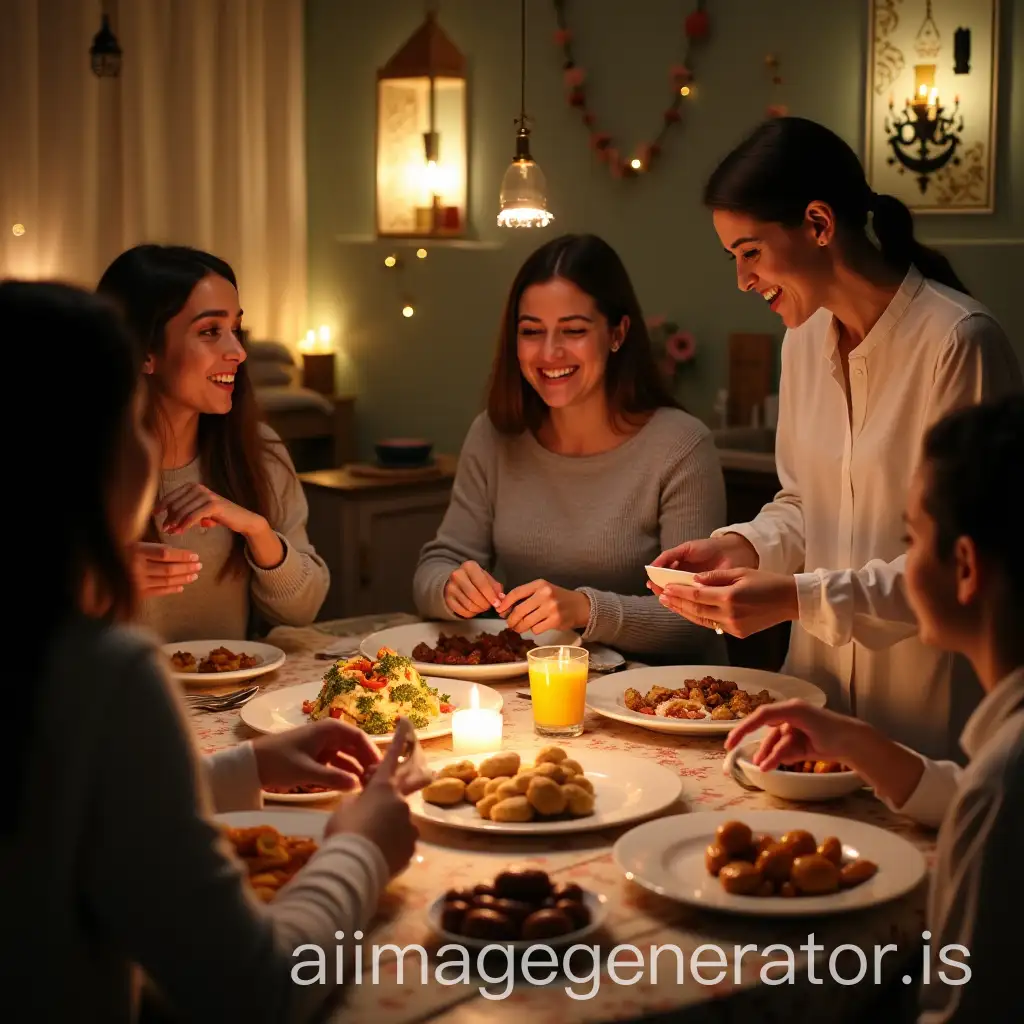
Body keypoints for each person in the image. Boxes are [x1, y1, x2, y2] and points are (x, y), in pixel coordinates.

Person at [2, 280, 424, 1022]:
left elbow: (55, 813)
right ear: (85, 459)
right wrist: (360, 847)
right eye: (132, 425)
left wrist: (240, 770)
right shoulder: (100, 673)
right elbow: (249, 989)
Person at [652, 117, 1022, 759]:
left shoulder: (959, 342)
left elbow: (969, 563)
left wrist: (797, 596)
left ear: (819, 225)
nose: (742, 280)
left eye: (750, 252)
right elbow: (805, 505)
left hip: (929, 726)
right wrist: (740, 548)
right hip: (810, 717)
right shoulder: (801, 342)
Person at [726, 395, 1024, 1024]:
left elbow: (961, 1009)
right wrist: (861, 745)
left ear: (964, 567)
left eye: (911, 540)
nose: (903, 563)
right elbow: (967, 792)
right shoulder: (1001, 763)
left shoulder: (1004, 781)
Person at [413, 233, 727, 661]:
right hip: (535, 692)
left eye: (574, 330)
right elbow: (437, 565)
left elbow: (697, 617)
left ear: (617, 333)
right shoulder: (494, 435)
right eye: (531, 331)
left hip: (664, 701)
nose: (549, 352)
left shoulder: (681, 446)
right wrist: (450, 587)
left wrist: (584, 609)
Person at [97, 244, 330, 643]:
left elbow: (302, 610)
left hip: (231, 701)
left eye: (235, 330)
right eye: (209, 332)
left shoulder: (259, 451)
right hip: (117, 701)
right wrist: (99, 581)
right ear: (144, 351)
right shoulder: (74, 462)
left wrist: (258, 532)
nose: (237, 352)